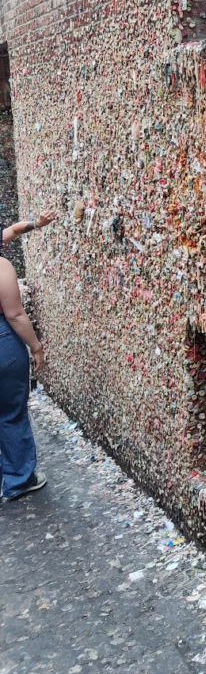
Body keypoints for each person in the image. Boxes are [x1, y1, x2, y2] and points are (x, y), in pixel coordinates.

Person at [0, 210, 54, 501]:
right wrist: (36, 347)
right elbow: (16, 314)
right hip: (3, 345)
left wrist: (35, 224)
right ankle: (19, 480)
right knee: (10, 413)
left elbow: (11, 230)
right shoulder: (2, 267)